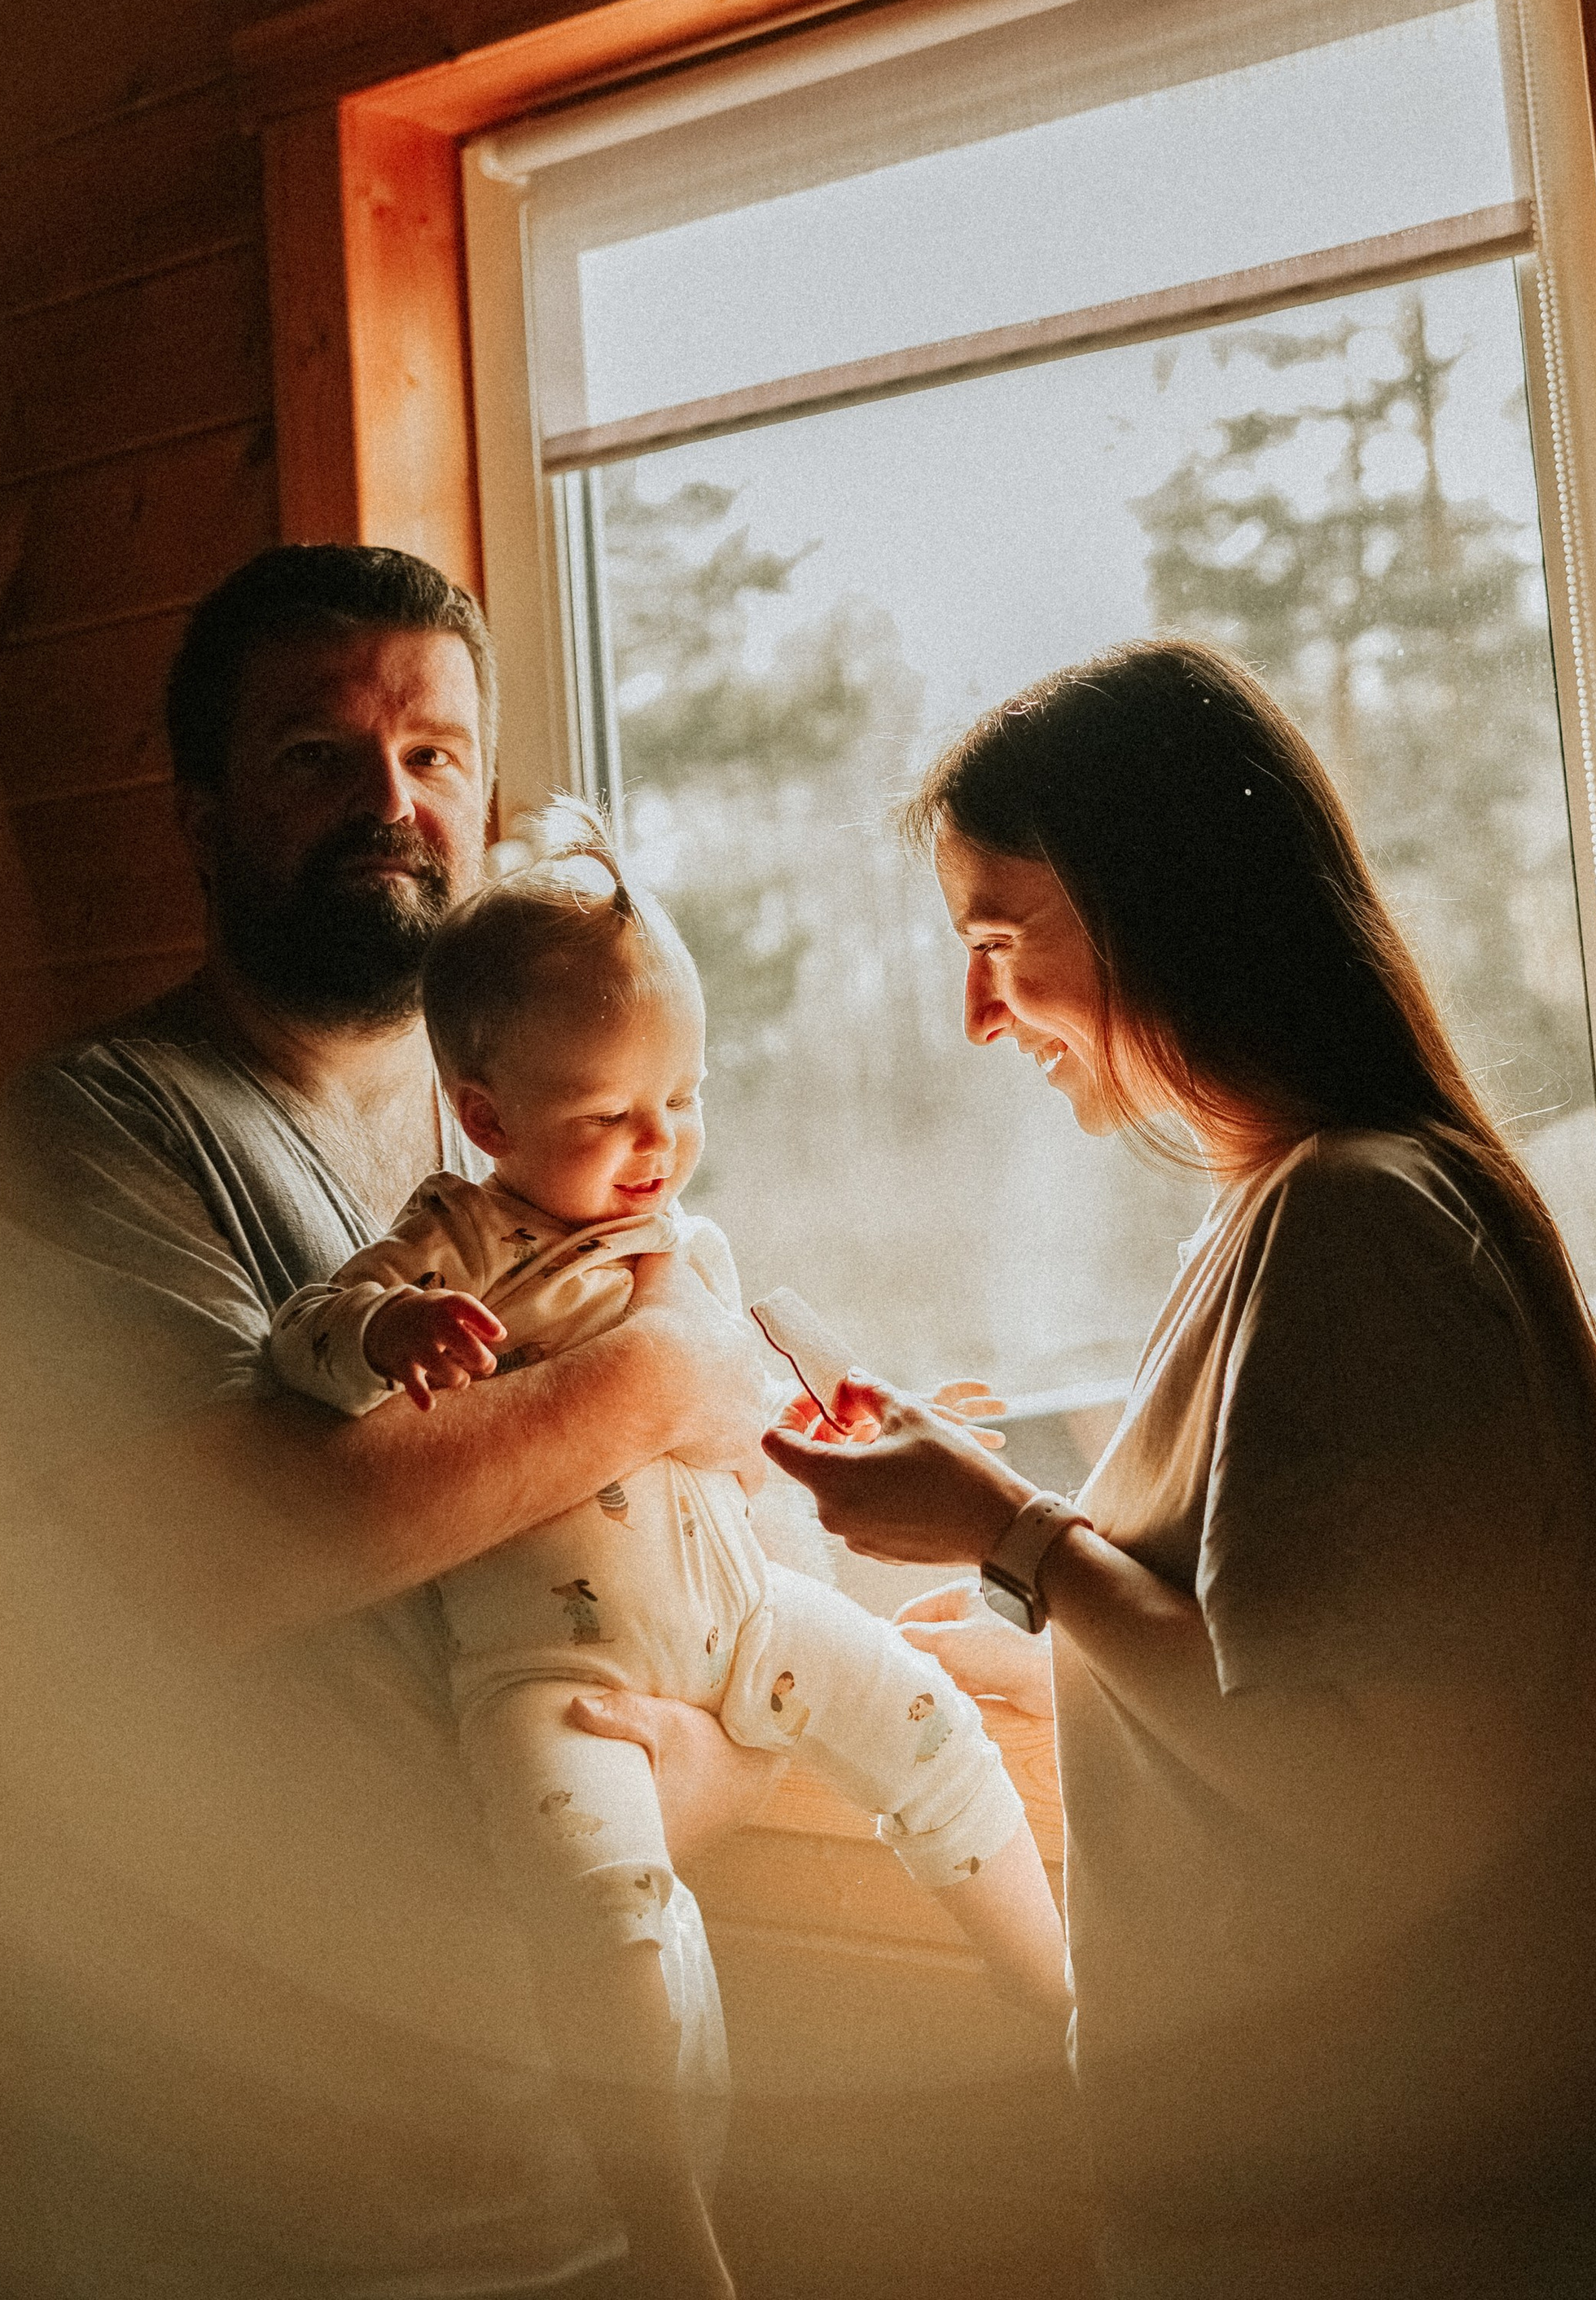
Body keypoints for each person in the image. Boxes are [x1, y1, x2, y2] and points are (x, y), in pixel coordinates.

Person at [766, 639, 1596, 2300]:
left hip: (1384, 2197)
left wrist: (1006, 1530)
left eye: (995, 943)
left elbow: (1347, 1777)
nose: (977, 1021)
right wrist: (1002, 1645)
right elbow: (1274, 1653)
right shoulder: (1277, 1208)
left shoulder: (1351, 1226)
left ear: (1152, 904)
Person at [0, 544, 779, 2298]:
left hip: (596, 2155)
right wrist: (659, 1374)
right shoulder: (97, 1133)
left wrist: (715, 1759)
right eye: (315, 757)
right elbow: (226, 1546)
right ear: (199, 813)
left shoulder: (557, 1125)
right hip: (259, 2190)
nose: (388, 803)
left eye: (432, 756)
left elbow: (722, 1557)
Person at [268, 803, 1067, 2297]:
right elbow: (298, 1342)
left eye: (683, 1101)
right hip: (545, 1679)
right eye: (611, 1117)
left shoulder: (689, 1241)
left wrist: (878, 1409)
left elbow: (758, 1401)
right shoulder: (461, 1239)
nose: (659, 1149)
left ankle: (1054, 1997)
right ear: (490, 1118)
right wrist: (388, 1329)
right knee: (606, 1913)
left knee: (925, 1717)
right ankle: (665, 2222)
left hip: (743, 1623)